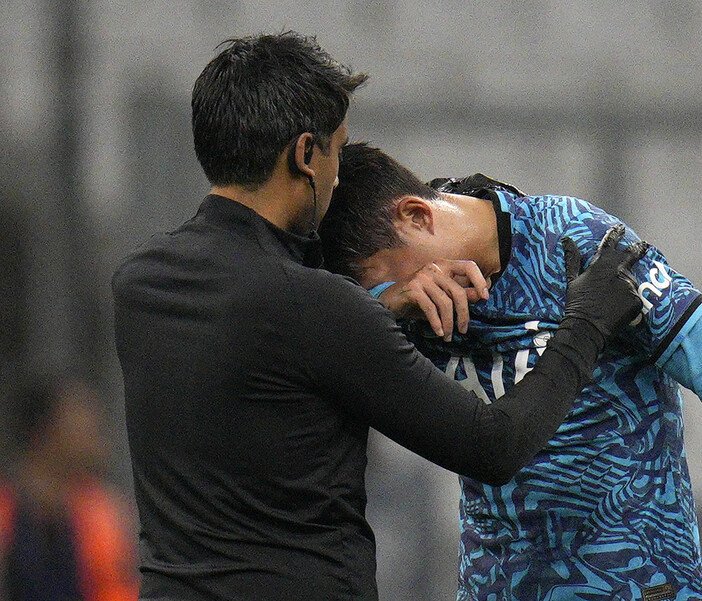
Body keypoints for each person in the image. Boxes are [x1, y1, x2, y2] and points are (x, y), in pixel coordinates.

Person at [111, 32, 649, 601]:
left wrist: (382, 308)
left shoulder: (140, 286)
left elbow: (259, 365)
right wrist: (588, 318)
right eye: (338, 152)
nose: (339, 177)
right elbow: (494, 446)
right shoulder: (316, 308)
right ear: (304, 155)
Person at [317, 142, 702, 601]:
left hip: (638, 584)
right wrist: (382, 303)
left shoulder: (575, 241)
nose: (406, 298)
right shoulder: (391, 312)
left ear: (417, 216)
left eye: (380, 281)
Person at [0, 375, 139, 601]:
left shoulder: (101, 511)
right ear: (45, 430)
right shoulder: (6, 512)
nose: (93, 428)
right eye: (80, 416)